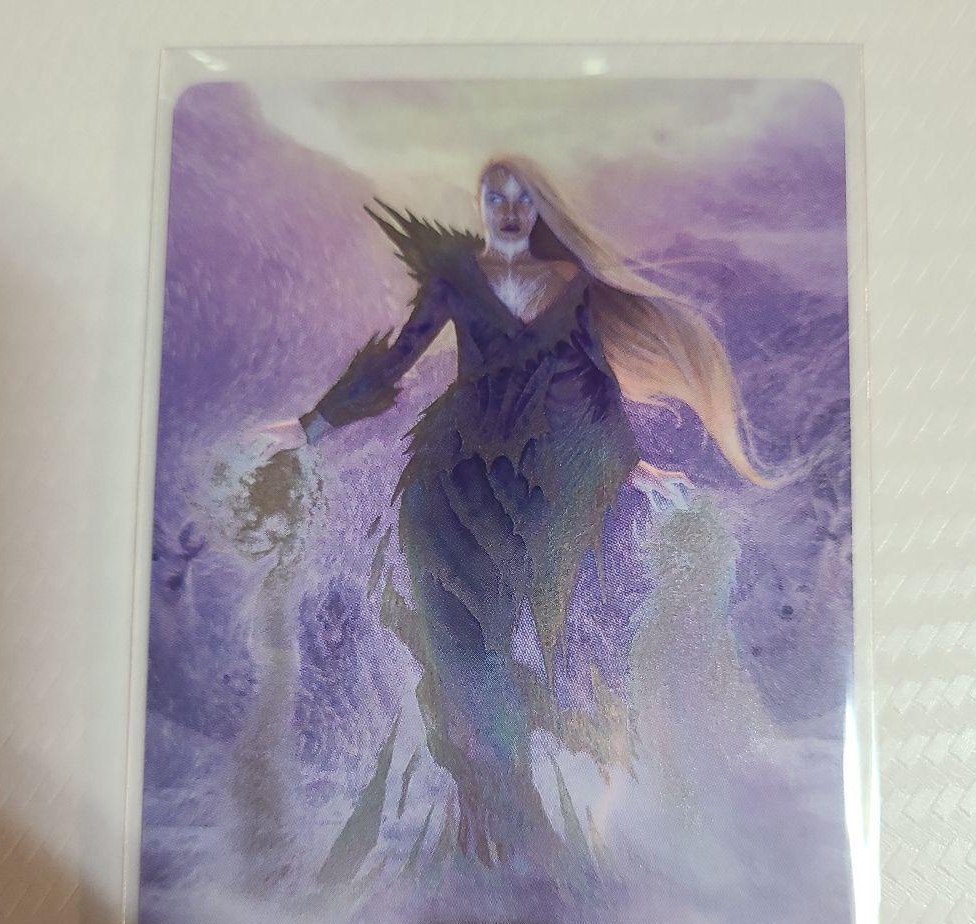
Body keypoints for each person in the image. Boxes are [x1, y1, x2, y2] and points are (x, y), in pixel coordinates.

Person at [261, 156, 766, 870]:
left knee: (490, 656)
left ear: (537, 209)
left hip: (528, 494)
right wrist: (309, 427)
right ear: (480, 205)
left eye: (521, 198)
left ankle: (505, 831)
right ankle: (496, 832)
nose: (507, 209)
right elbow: (395, 363)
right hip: (447, 482)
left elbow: (594, 382)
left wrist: (631, 466)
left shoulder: (571, 286)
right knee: (460, 653)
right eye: (494, 197)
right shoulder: (455, 278)